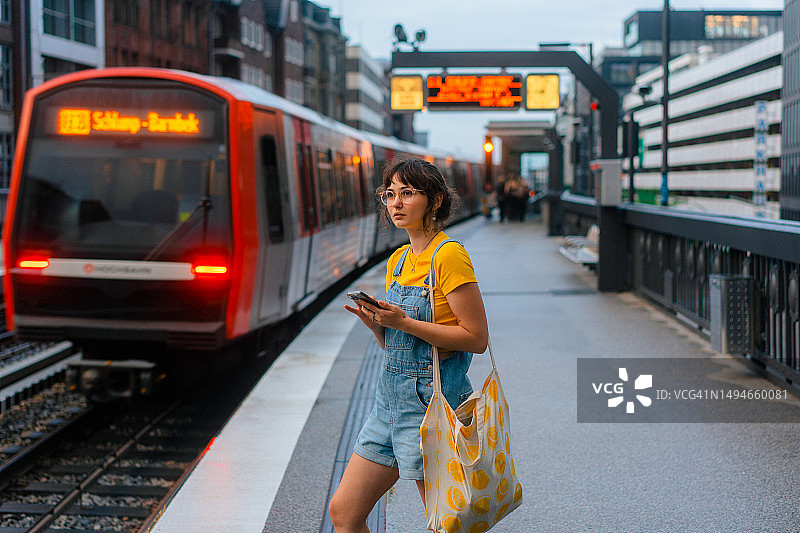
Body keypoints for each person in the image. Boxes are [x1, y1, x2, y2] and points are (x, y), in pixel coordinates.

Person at [328, 158, 489, 533]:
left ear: (434, 201)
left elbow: (476, 339)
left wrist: (404, 322)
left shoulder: (449, 256)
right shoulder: (399, 260)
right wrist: (380, 327)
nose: (395, 203)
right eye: (390, 194)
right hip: (389, 403)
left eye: (408, 193)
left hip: (433, 404)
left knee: (445, 524)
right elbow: (404, 348)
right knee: (344, 513)